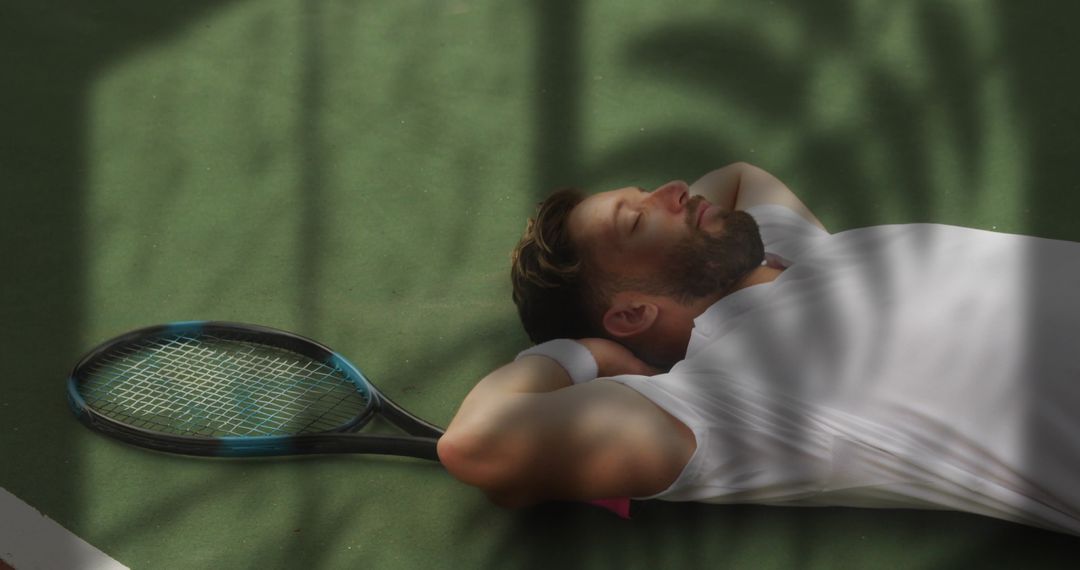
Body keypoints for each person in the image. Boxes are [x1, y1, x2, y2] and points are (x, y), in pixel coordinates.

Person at [437, 162, 1080, 535]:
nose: (674, 190)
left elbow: (741, 176)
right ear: (631, 313)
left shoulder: (795, 254)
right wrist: (590, 356)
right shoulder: (725, 400)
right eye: (637, 220)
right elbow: (479, 444)